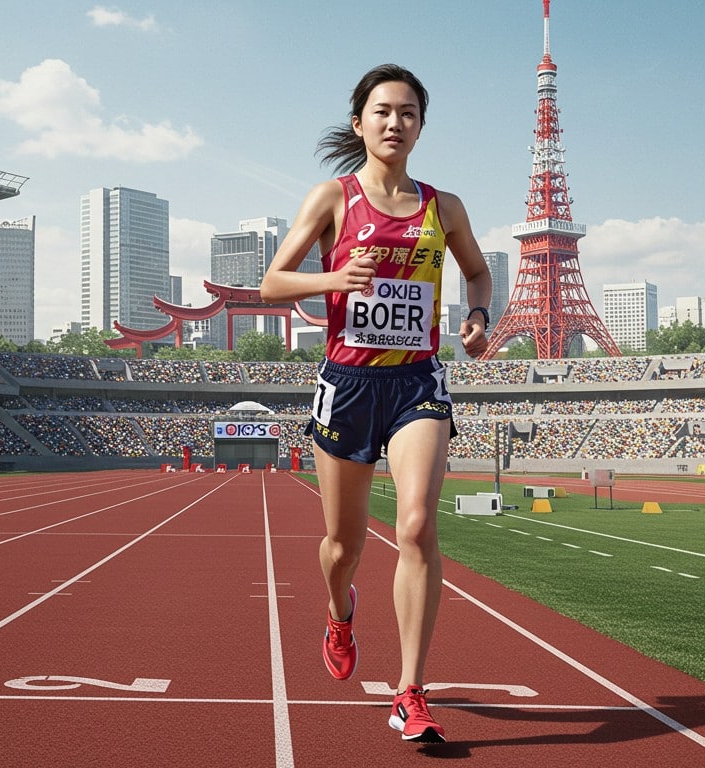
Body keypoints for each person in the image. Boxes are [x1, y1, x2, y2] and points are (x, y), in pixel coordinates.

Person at [260, 63, 491, 743]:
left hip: (417, 382)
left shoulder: (444, 207)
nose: (396, 122)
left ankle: (410, 691)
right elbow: (273, 283)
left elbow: (478, 272)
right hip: (349, 384)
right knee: (344, 545)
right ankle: (340, 612)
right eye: (384, 111)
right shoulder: (333, 197)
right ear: (360, 122)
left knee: (416, 526)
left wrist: (478, 316)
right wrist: (336, 276)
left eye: (409, 113)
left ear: (421, 127)